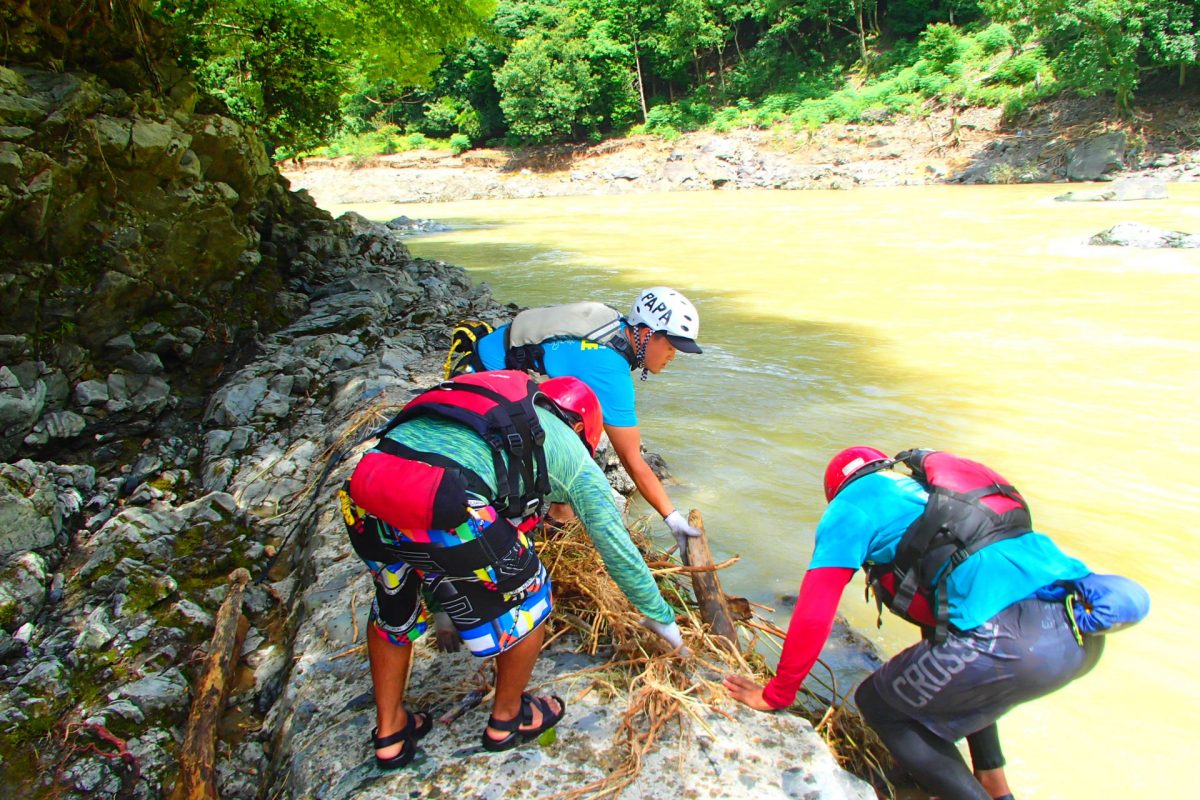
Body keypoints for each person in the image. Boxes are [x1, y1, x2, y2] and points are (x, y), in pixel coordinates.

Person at [723, 446, 1118, 800]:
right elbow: (952, 636)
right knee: (963, 681)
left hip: (1012, 643)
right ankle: (995, 786)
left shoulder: (851, 506)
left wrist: (777, 693)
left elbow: (814, 609)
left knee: (880, 704)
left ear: (836, 491)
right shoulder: (931, 499)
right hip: (1080, 629)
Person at [339, 372, 685, 767]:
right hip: (447, 495)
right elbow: (617, 548)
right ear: (578, 428)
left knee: (392, 604)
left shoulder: (502, 406)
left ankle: (390, 732)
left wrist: (443, 613)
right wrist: (661, 618)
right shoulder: (571, 453)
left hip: (367, 487)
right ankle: (508, 718)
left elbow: (433, 514)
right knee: (532, 590)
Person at [472, 287, 706, 554]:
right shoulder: (609, 369)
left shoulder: (613, 325)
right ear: (645, 333)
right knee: (583, 431)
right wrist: (674, 520)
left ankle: (559, 507)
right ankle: (545, 517)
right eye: (671, 346)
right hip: (480, 387)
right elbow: (632, 460)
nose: (673, 356)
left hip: (483, 359)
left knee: (582, 415)